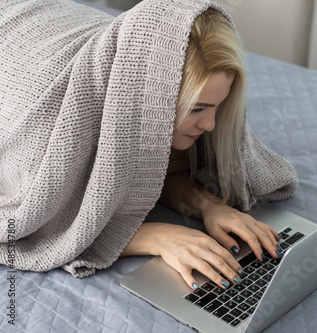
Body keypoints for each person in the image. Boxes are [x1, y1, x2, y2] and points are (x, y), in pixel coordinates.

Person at [0, 0, 297, 290]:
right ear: (153, 101)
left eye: (218, 106)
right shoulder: (54, 134)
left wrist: (210, 206)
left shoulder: (157, 100)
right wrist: (157, 236)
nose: (210, 126)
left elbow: (154, 168)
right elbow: (31, 227)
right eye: (197, 109)